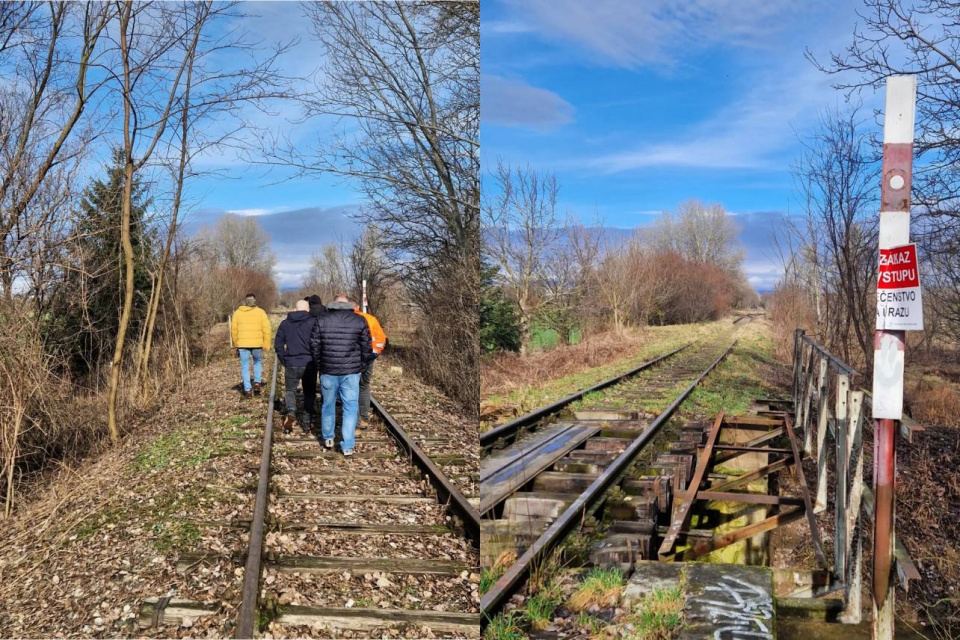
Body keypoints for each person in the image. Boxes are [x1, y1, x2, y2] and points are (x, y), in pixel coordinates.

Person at [309, 294, 375, 456]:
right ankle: (347, 446)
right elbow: (367, 347)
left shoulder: (322, 319)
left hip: (328, 371)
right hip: (351, 372)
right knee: (350, 407)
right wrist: (361, 366)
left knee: (328, 405)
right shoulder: (359, 320)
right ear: (348, 305)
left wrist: (320, 365)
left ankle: (328, 437)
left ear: (333, 304)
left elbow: (314, 345)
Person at [274, 300, 317, 435]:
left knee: (290, 390)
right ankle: (306, 421)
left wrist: (284, 360)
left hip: (292, 363)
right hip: (309, 363)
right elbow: (318, 343)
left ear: (294, 309)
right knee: (309, 392)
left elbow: (278, 345)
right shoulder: (314, 323)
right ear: (308, 310)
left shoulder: (285, 323)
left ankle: (291, 411)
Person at [351, 300, 386, 429]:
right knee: (364, 386)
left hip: (352, 359)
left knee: (351, 388)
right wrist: (375, 353)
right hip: (368, 358)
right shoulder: (370, 319)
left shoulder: (348, 319)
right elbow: (381, 339)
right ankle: (364, 417)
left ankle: (356, 419)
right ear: (358, 307)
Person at [231, 293, 271, 398]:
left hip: (243, 345)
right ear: (255, 301)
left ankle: (248, 390)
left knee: (245, 367)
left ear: (245, 301)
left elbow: (234, 330)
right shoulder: (261, 312)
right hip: (257, 344)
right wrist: (266, 343)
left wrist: (236, 344)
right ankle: (257, 382)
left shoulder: (238, 313)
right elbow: (267, 329)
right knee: (257, 362)